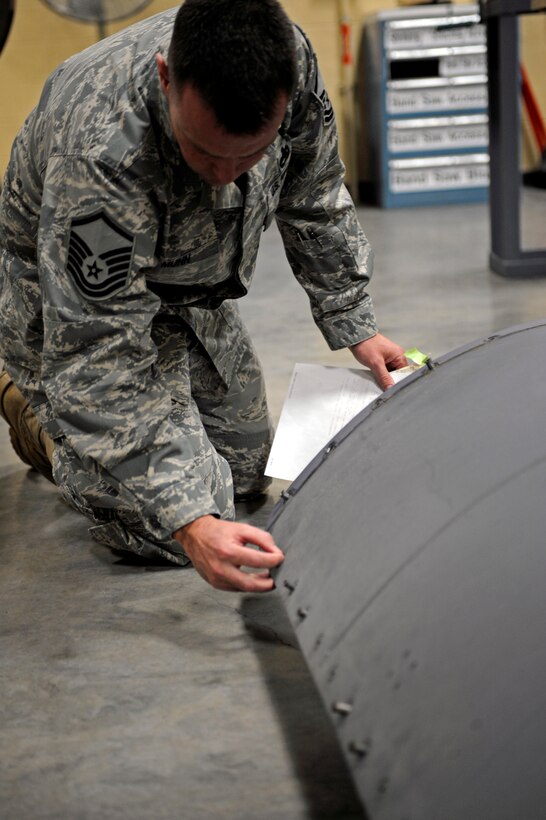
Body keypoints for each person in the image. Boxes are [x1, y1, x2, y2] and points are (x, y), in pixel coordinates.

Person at [0, 0, 407, 592]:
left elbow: (314, 192)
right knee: (167, 525)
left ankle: (135, 426)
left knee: (243, 474)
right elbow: (97, 354)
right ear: (166, 78)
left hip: (186, 286)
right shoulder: (99, 152)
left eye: (250, 154)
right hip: (70, 308)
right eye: (204, 151)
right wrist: (189, 520)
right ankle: (32, 407)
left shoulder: (286, 66)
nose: (225, 174)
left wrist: (355, 322)